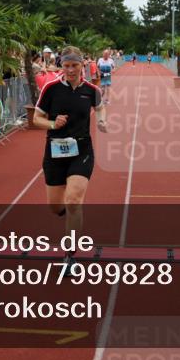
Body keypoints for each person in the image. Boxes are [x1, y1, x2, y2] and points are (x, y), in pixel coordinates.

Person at [32, 46, 107, 251]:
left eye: (75, 65)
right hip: (55, 151)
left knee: (73, 200)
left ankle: (70, 253)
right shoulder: (51, 88)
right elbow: (36, 118)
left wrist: (101, 121)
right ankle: (69, 214)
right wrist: (53, 124)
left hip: (82, 150)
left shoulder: (92, 91)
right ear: (61, 66)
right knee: (56, 206)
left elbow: (100, 107)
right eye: (66, 66)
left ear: (82, 64)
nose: (71, 70)